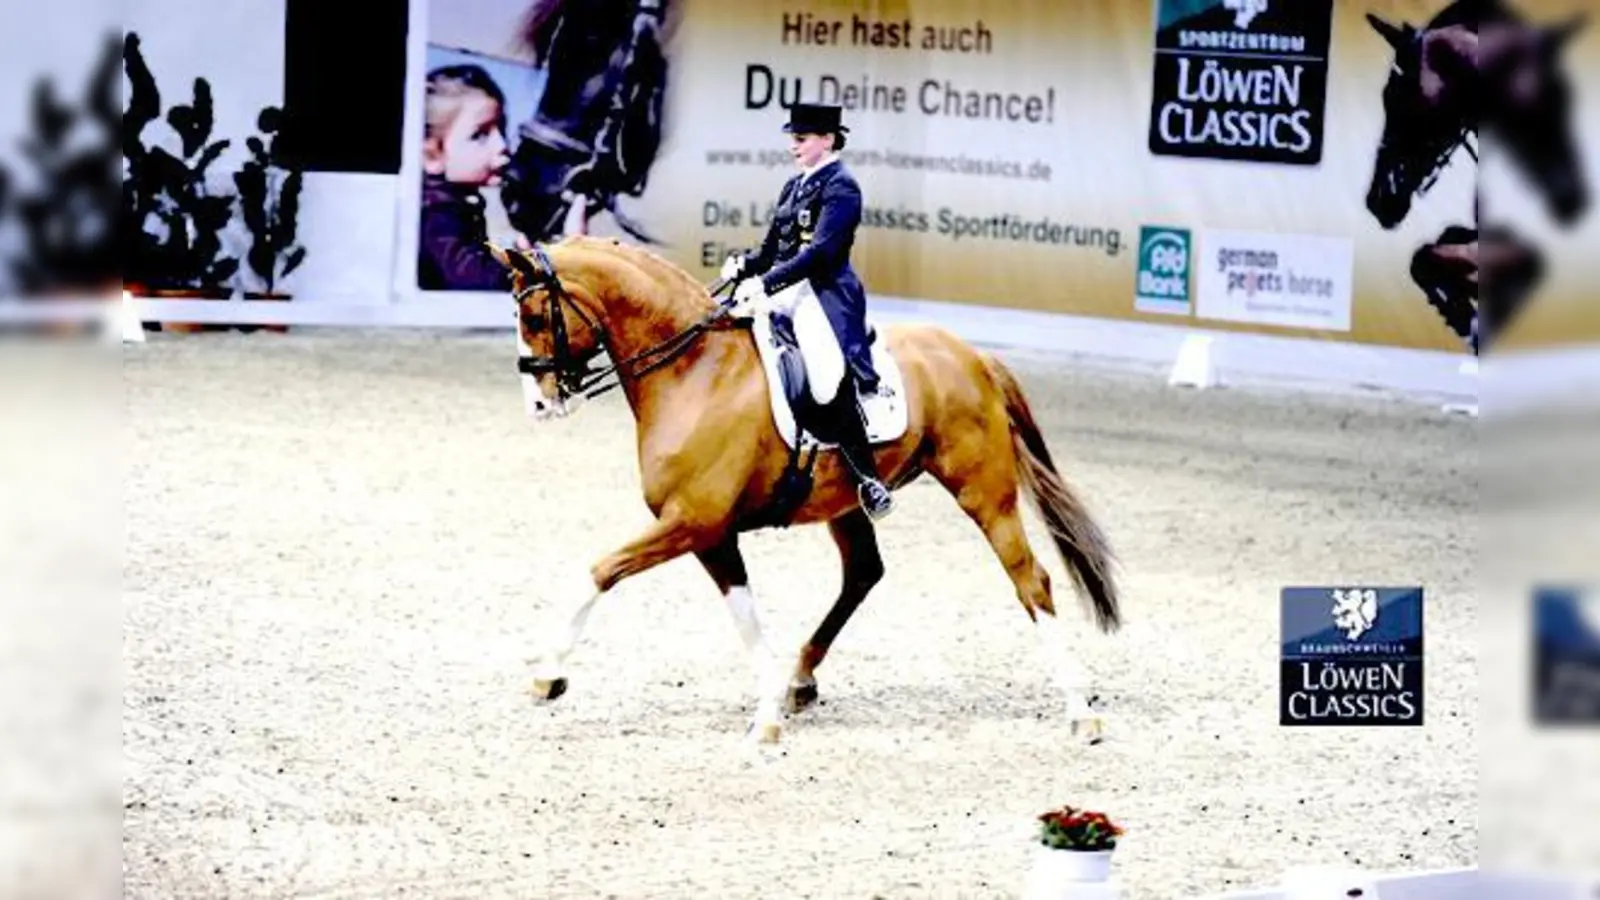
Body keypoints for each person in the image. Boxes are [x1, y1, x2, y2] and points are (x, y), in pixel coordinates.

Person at [724, 102, 894, 520]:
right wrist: (745, 264)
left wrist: (765, 283)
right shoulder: (793, 186)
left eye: (800, 139)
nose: (792, 147)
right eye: (792, 139)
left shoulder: (843, 187)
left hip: (823, 293)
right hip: (785, 289)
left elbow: (821, 254)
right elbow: (770, 251)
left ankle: (868, 478)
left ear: (828, 140)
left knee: (823, 375)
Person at [417, 64, 524, 292]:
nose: (503, 146)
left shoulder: (453, 201)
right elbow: (472, 280)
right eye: (480, 135)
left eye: (501, 129)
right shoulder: (436, 211)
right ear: (432, 155)